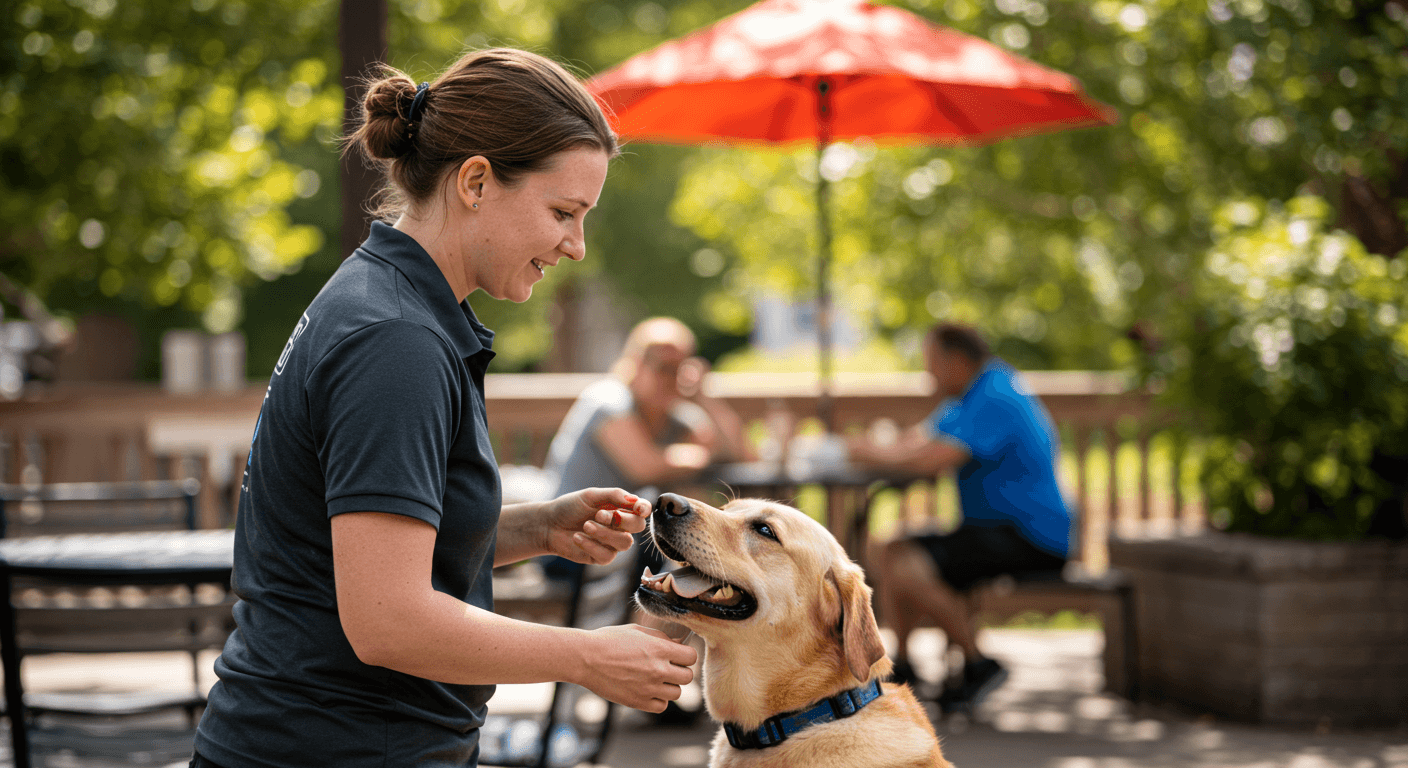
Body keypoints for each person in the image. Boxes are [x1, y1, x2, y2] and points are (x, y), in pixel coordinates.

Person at [191, 49, 697, 768]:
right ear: (476, 181)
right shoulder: (395, 342)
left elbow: (366, 549)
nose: (576, 246)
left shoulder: (384, 301)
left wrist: (539, 526)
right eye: (562, 212)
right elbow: (387, 621)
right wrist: (585, 656)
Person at [846, 322, 1072, 714]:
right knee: (892, 550)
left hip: (1030, 537)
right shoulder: (970, 396)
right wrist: (877, 447)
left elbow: (934, 458)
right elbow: (919, 441)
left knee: (906, 565)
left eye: (932, 364)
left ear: (958, 360)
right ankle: (905, 668)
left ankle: (976, 661)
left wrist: (866, 454)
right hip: (994, 530)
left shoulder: (994, 394)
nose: (928, 375)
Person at [543, 316, 754, 505]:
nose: (673, 378)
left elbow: (741, 456)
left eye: (680, 368)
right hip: (569, 534)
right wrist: (700, 456)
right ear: (636, 363)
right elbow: (644, 467)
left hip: (621, 536)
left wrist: (702, 397)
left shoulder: (676, 416)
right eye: (665, 368)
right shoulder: (609, 400)